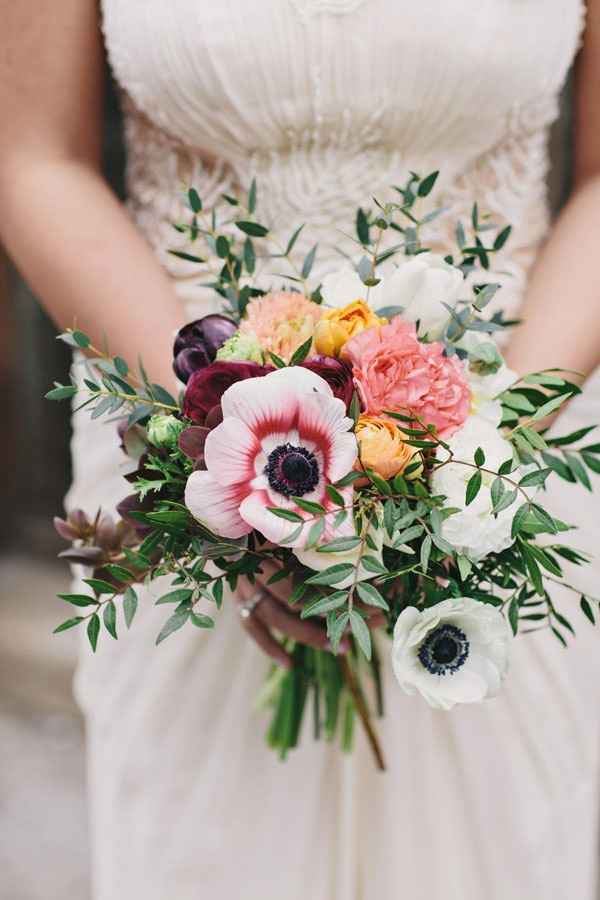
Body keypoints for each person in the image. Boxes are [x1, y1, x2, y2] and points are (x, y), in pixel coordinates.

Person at [1, 1, 599, 897]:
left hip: (513, 450)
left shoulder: (493, 460)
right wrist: (230, 464)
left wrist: (476, 468)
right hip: (171, 431)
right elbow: (32, 158)